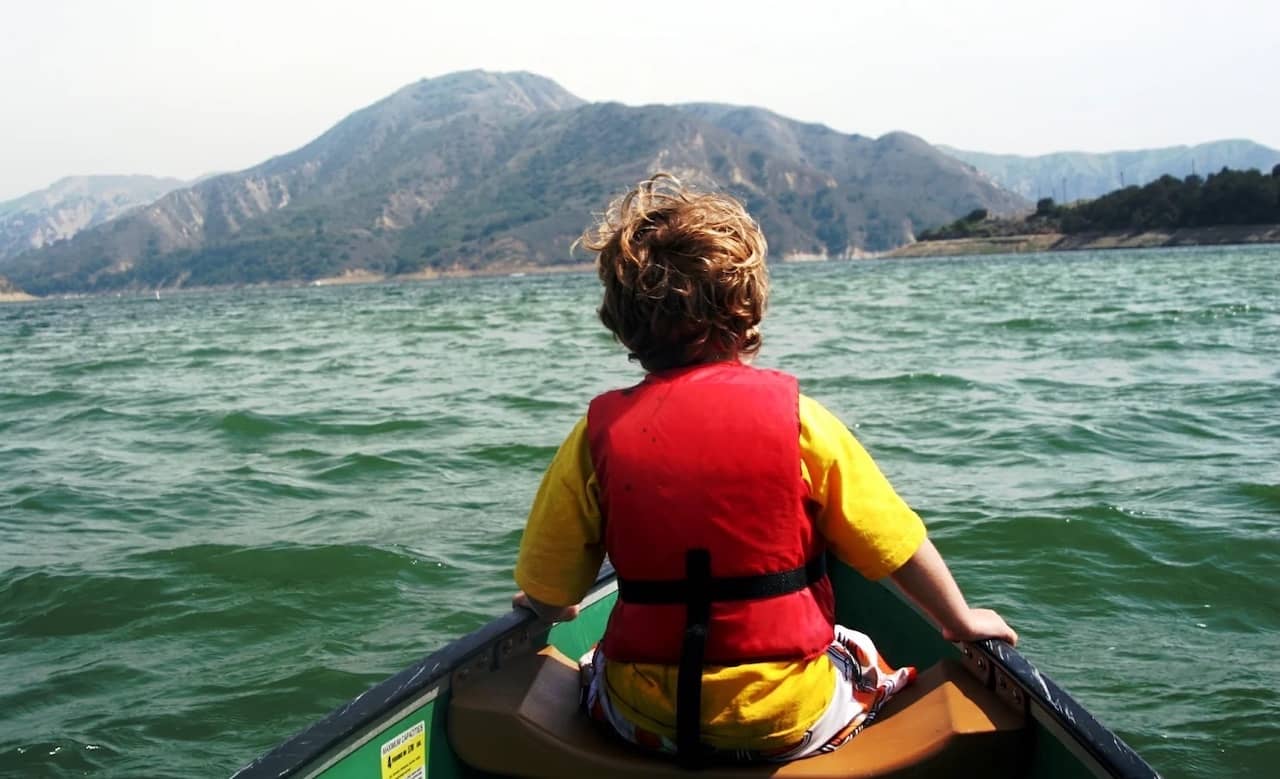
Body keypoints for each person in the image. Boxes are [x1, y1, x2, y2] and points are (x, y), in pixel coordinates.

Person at [512, 175, 1016, 765]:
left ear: (621, 322)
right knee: (859, 652)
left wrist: (548, 605)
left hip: (643, 722)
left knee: (597, 662)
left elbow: (553, 593)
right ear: (745, 309)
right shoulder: (801, 422)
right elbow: (896, 545)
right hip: (787, 720)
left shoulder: (595, 435)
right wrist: (957, 619)